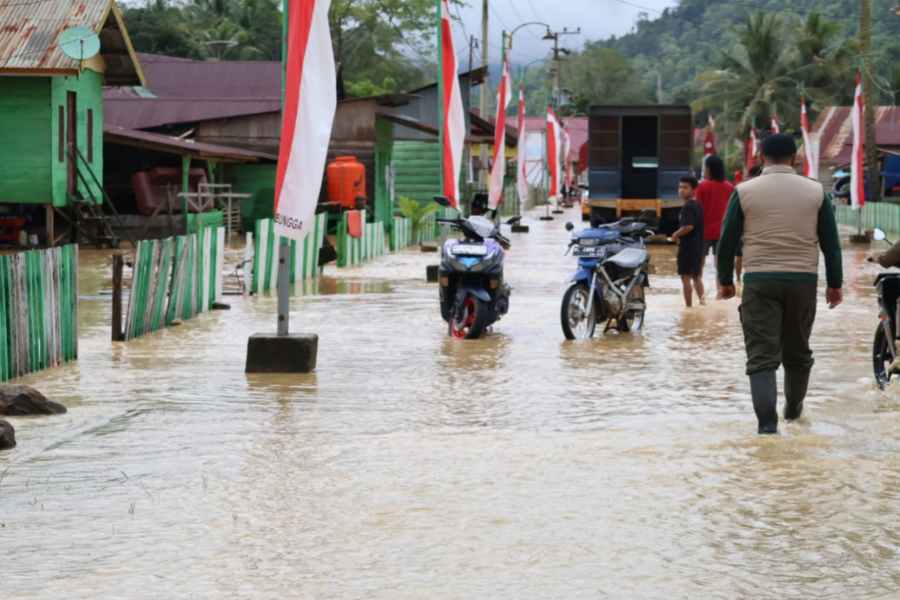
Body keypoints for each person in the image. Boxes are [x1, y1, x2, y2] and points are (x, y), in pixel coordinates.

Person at [717, 134, 843, 435]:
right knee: (798, 353)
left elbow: (726, 241)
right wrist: (835, 284)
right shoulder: (815, 191)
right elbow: (832, 245)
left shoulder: (744, 191)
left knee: (762, 357)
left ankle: (767, 428)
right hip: (803, 281)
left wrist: (725, 281)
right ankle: (793, 413)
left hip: (759, 280)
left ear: (761, 157)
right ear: (795, 158)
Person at [695, 155, 734, 273]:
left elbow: (698, 209)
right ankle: (720, 289)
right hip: (722, 231)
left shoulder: (701, 186)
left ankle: (699, 290)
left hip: (703, 231)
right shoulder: (730, 187)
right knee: (720, 265)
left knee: (699, 263)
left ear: (709, 169)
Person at [671, 176, 705, 307]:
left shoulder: (688, 207)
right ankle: (703, 304)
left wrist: (675, 234)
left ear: (694, 189)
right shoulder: (697, 205)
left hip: (688, 248)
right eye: (680, 187)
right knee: (696, 277)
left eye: (685, 187)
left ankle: (688, 307)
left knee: (685, 278)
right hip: (698, 247)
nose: (681, 190)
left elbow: (688, 226)